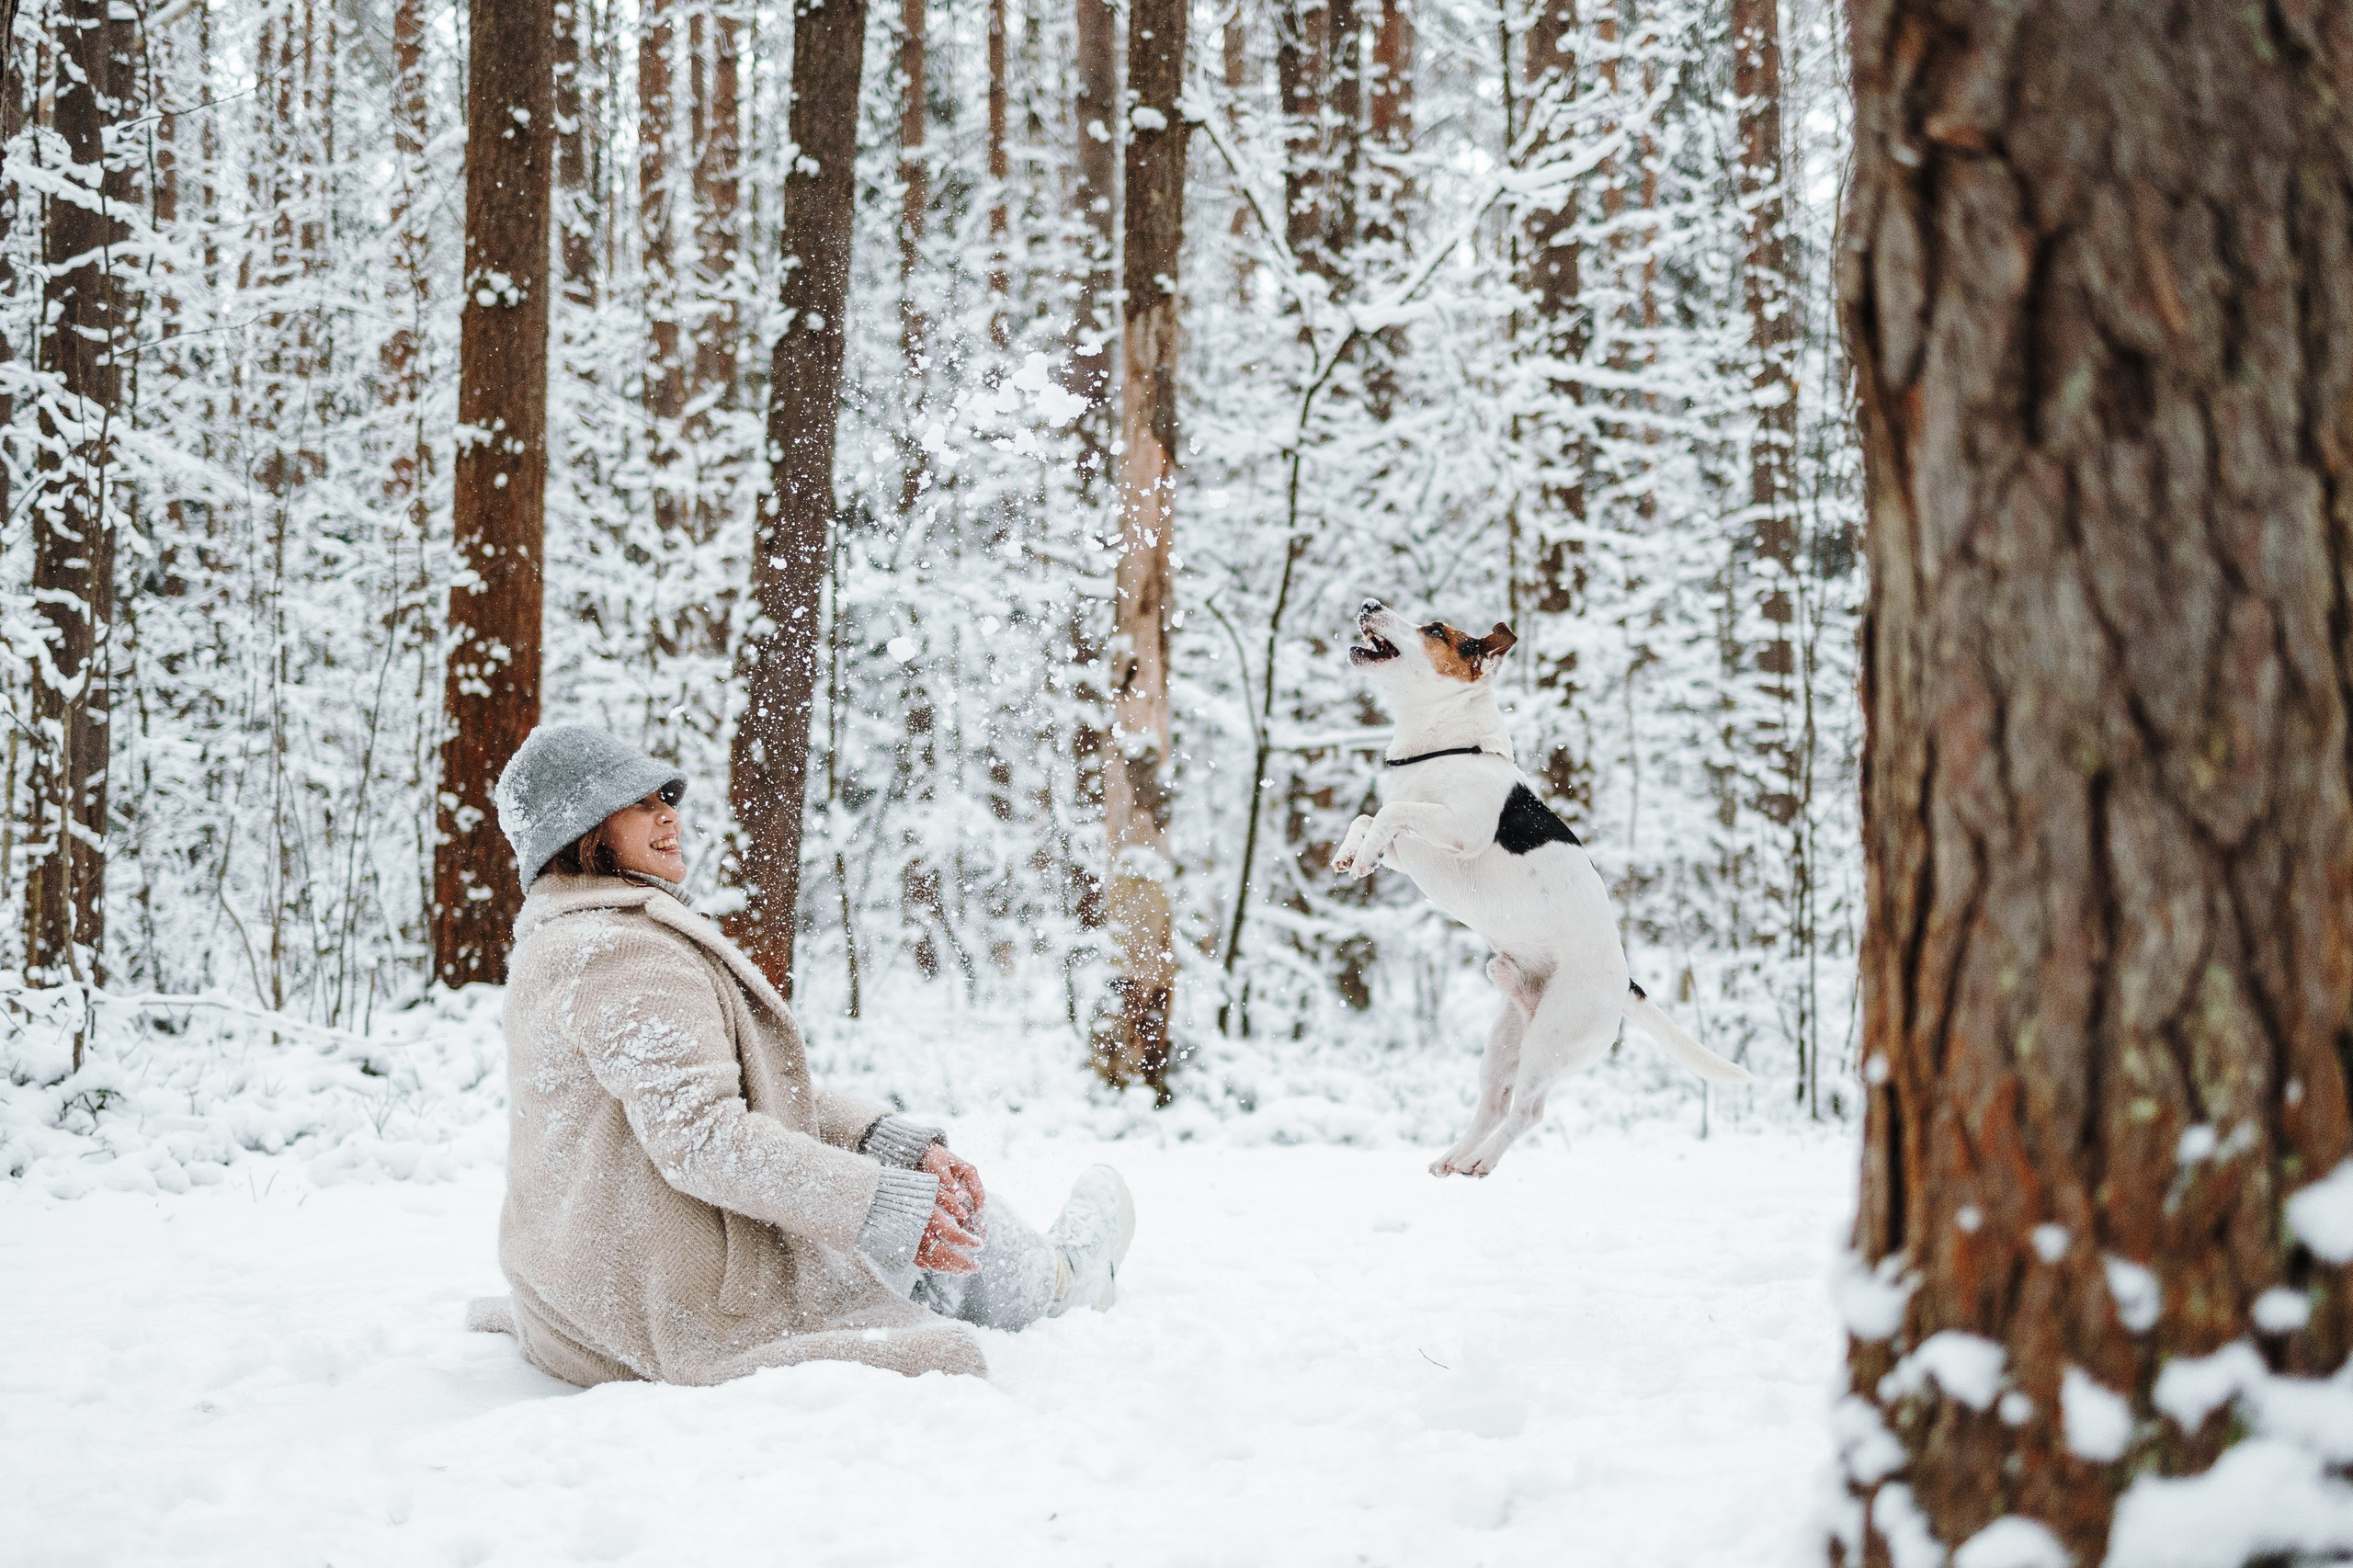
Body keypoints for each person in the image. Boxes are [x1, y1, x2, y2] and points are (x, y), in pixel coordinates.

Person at [468, 724, 1134, 1385]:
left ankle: (1041, 1267)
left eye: (665, 796)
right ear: (581, 830)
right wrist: (882, 1205)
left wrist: (888, 1143)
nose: (668, 815)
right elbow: (703, 1138)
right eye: (639, 803)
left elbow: (737, 1091)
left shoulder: (570, 940)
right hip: (679, 1305)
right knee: (919, 1238)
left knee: (894, 1218)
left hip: (598, 1292)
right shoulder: (623, 950)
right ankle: (1062, 1278)